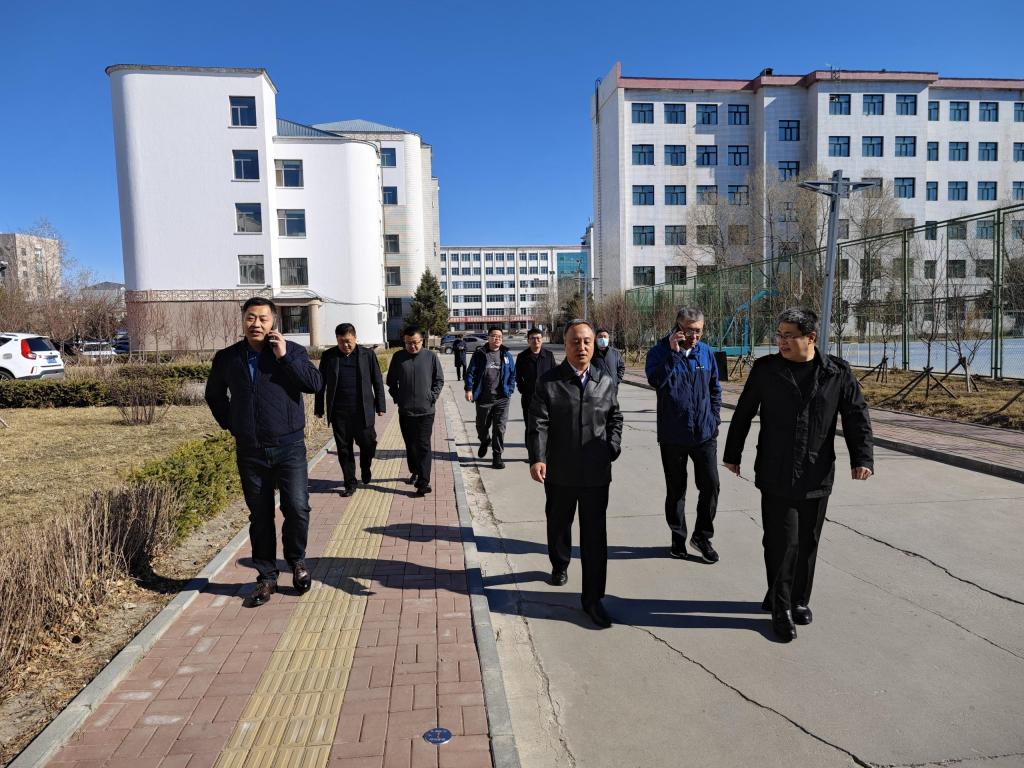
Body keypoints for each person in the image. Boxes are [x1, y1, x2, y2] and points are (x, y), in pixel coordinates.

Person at [723, 307, 874, 642]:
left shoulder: (836, 372)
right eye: (779, 335)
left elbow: (856, 415)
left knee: (807, 542)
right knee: (782, 542)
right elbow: (744, 412)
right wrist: (733, 453)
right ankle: (781, 609)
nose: (782, 341)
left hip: (816, 472)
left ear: (811, 337)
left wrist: (862, 457)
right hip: (775, 470)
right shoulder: (766, 370)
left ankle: (798, 599)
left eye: (789, 335)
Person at [205, 297, 323, 607]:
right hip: (251, 450)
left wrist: (284, 357)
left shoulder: (292, 350)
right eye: (250, 317)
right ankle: (267, 576)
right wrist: (233, 424)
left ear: (273, 322)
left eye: (263, 318)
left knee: (297, 507)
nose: (256, 324)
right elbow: (214, 395)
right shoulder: (228, 357)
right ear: (243, 319)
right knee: (260, 515)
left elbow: (314, 384)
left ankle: (296, 562)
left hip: (289, 447)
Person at [528, 319, 623, 629]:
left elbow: (615, 418)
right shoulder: (549, 382)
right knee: (559, 523)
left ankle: (593, 599)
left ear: (594, 345)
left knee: (595, 536)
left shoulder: (604, 380)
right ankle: (560, 563)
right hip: (560, 471)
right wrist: (538, 458)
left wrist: (611, 447)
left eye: (587, 342)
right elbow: (538, 423)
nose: (581, 347)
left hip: (596, 472)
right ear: (565, 345)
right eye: (575, 341)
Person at [645, 308, 722, 563]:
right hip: (673, 435)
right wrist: (674, 354)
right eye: (689, 330)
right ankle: (678, 538)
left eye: (699, 331)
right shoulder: (659, 352)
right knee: (676, 490)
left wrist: (714, 419)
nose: (694, 336)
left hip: (704, 434)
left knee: (711, 486)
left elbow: (715, 388)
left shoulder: (706, 352)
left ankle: (702, 536)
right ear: (677, 328)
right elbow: (656, 381)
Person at [314, 323, 386, 497]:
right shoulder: (329, 356)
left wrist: (381, 406)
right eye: (341, 341)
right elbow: (320, 384)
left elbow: (377, 380)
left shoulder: (367, 355)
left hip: (363, 411)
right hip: (339, 413)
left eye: (348, 341)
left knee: (368, 444)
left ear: (355, 338)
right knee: (344, 449)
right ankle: (350, 483)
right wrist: (319, 408)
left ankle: (365, 466)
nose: (345, 345)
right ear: (336, 340)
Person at [386, 325, 445, 496]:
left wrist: (432, 396)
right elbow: (391, 381)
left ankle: (423, 482)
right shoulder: (398, 357)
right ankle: (415, 470)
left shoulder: (430, 356)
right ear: (404, 342)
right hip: (406, 412)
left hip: (426, 411)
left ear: (422, 341)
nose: (412, 346)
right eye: (408, 343)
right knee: (411, 445)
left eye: (415, 342)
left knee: (424, 445)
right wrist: (398, 398)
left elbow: (439, 380)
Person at [465, 327, 516, 469]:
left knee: (499, 428)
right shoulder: (480, 354)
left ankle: (497, 457)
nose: (497, 338)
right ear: (488, 337)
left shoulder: (506, 355)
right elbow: (470, 373)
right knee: (481, 426)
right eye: (494, 336)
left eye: (499, 336)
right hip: (483, 397)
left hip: (502, 398)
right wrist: (469, 389)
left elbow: (512, 374)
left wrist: (510, 390)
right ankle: (484, 440)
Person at [515, 327, 556, 459]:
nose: (536, 341)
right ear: (528, 340)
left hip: (547, 399)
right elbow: (517, 376)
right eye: (532, 338)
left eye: (538, 338)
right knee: (530, 426)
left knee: (547, 426)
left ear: (542, 340)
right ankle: (532, 455)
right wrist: (523, 390)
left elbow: (555, 375)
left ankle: (545, 453)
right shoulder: (522, 357)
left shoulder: (549, 355)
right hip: (529, 398)